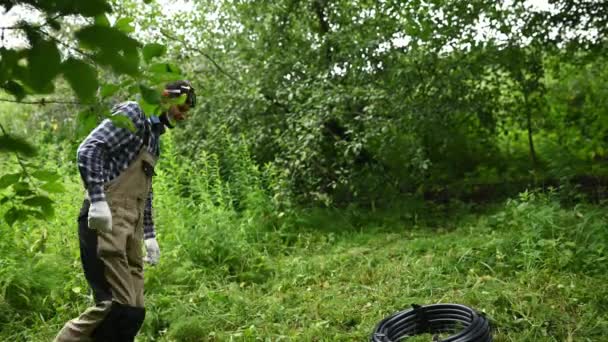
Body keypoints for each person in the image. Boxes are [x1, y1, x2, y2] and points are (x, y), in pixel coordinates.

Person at [54, 80, 196, 342]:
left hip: (131, 227)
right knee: (114, 307)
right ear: (167, 98)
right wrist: (97, 200)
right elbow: (89, 149)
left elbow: (145, 190)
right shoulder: (134, 114)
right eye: (183, 106)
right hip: (104, 220)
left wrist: (150, 235)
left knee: (133, 313)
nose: (184, 114)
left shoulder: (153, 139)